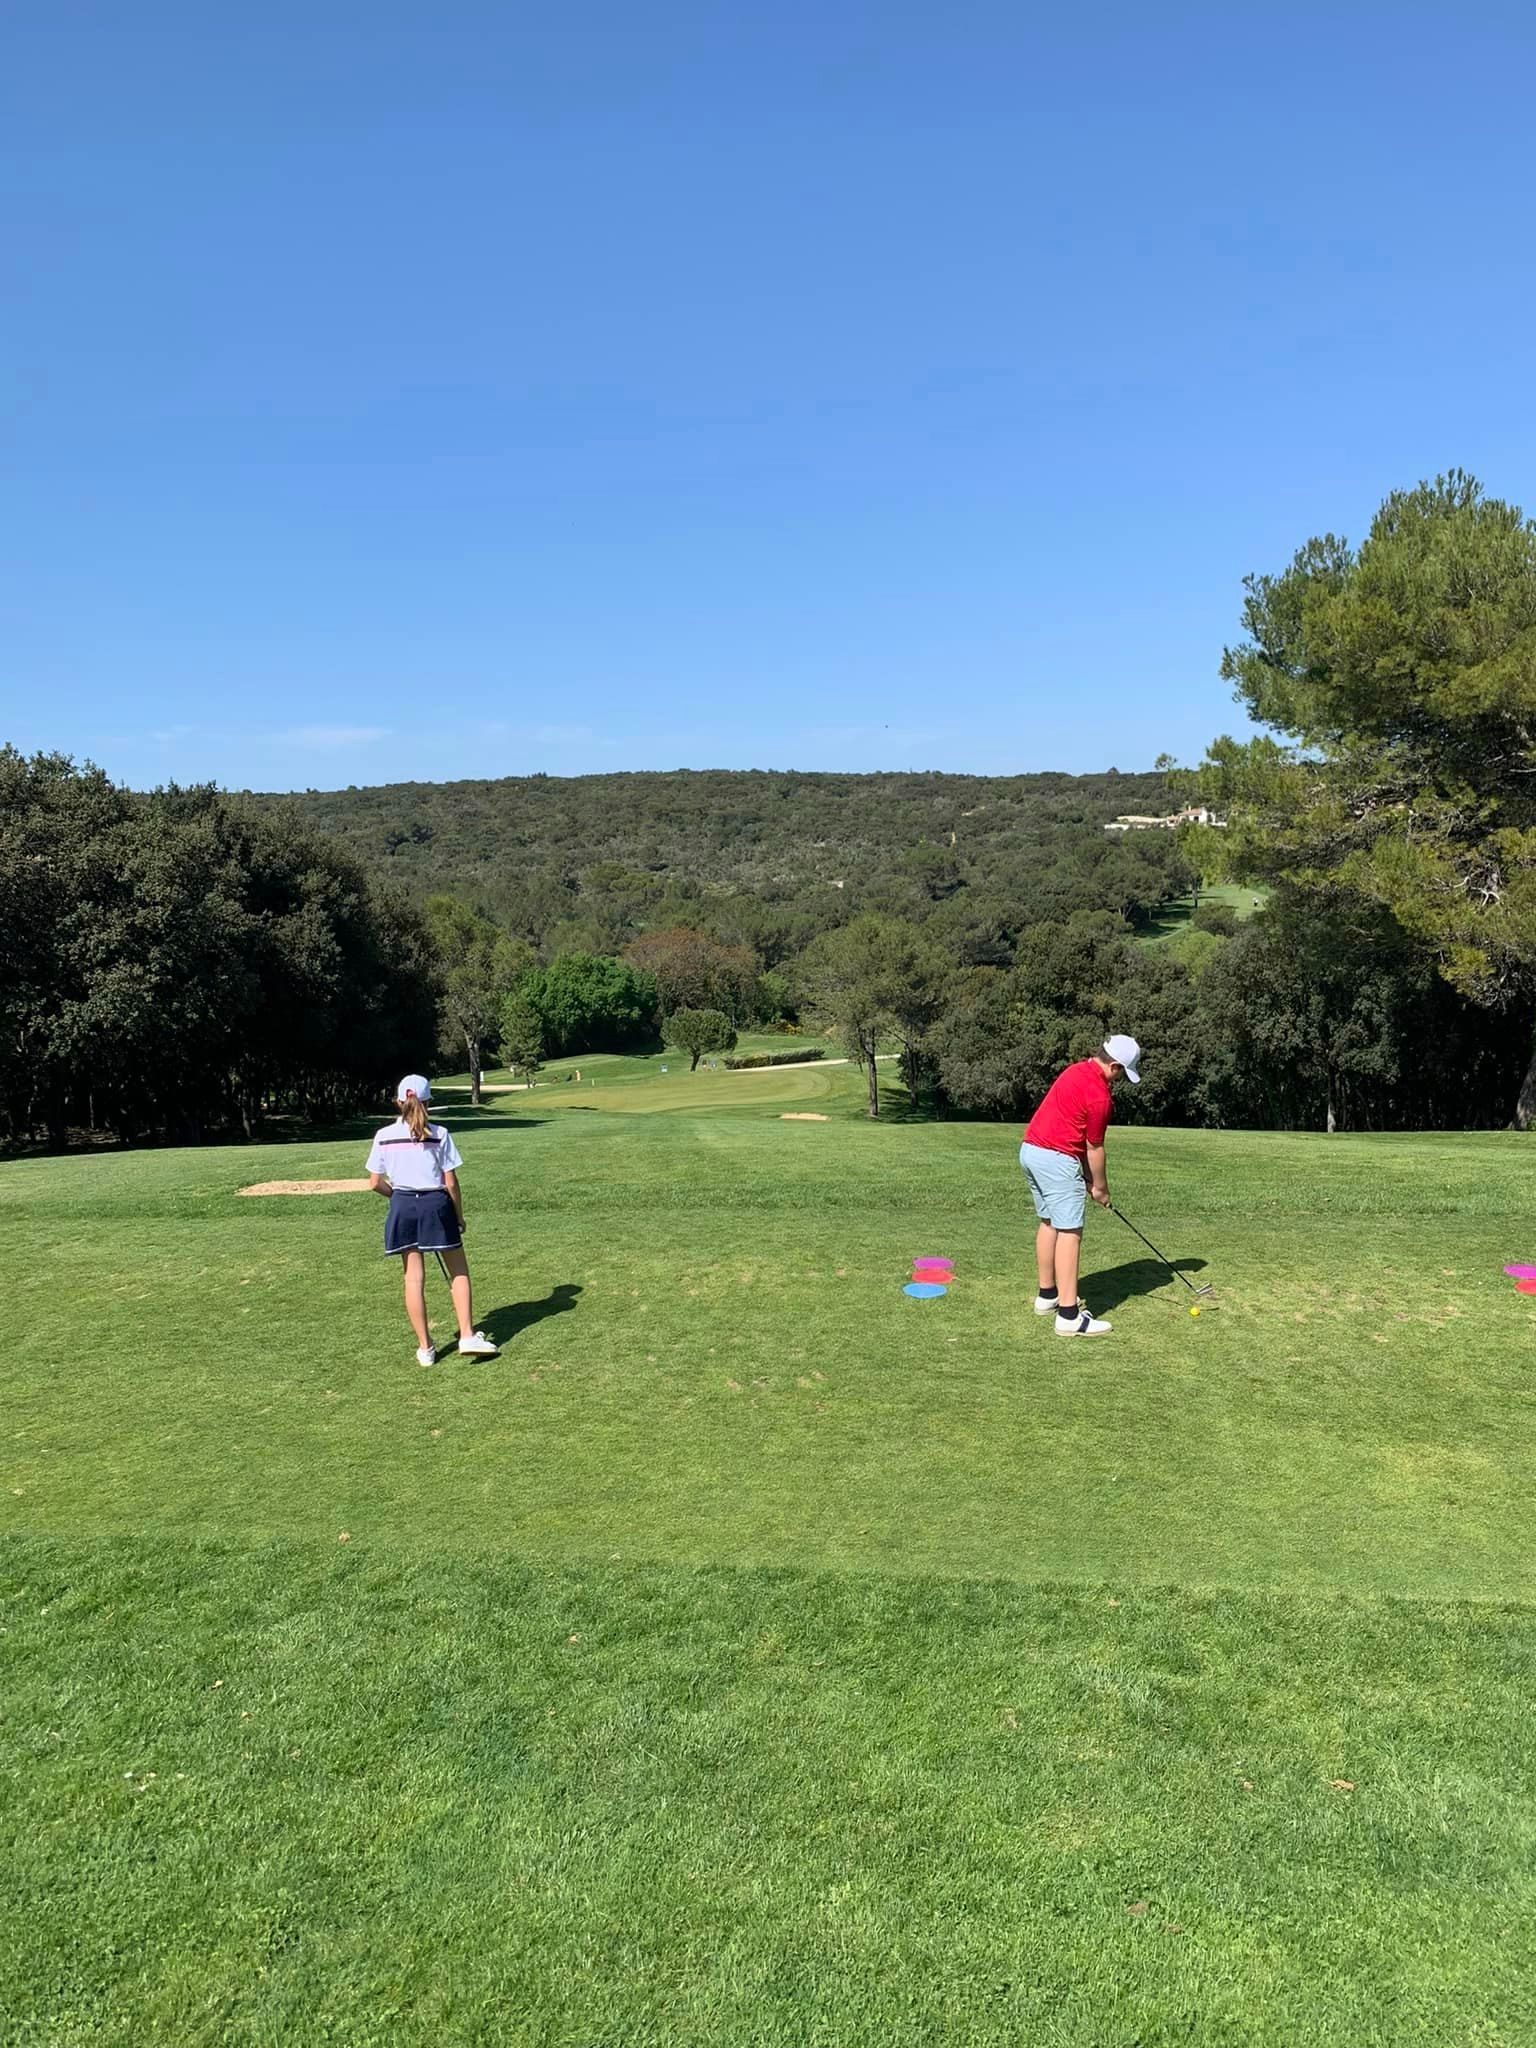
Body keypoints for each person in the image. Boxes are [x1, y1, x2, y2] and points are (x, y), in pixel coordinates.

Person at [366, 1074, 499, 1366]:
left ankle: (425, 1349)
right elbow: (450, 1183)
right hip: (436, 1204)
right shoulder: (440, 1133)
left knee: (413, 1279)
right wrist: (459, 1215)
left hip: (402, 1205)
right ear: (428, 1102)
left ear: (398, 1102)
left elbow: (374, 1183)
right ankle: (467, 1335)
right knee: (458, 1270)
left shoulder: (384, 1135)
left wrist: (396, 1197)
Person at [1020, 1034, 1141, 1338]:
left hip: (1031, 1151)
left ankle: (1047, 1296)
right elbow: (1094, 1148)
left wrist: (1088, 1180)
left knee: (1049, 1222)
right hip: (1056, 1159)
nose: (1119, 1080)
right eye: (1121, 1074)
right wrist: (1100, 1187)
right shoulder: (1100, 1096)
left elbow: (1077, 1134)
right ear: (1114, 1066)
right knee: (1070, 1232)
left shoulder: (1075, 1070)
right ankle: (1069, 1316)